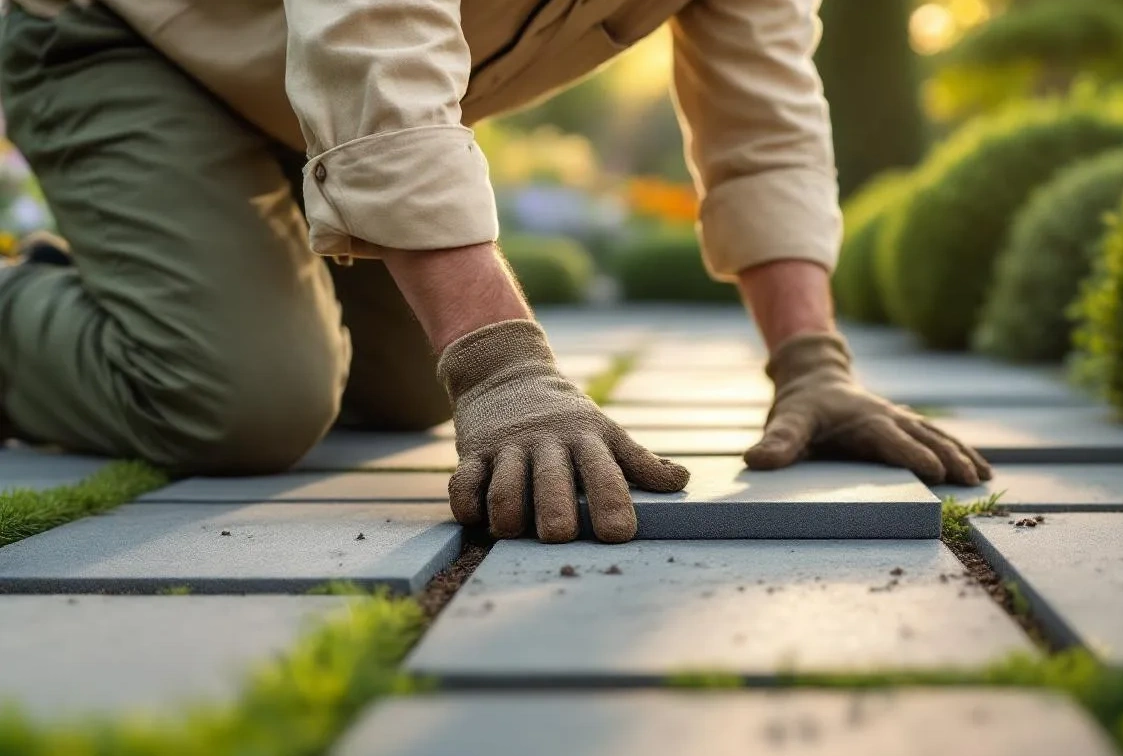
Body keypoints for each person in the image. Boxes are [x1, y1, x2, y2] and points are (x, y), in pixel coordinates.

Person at [0, 0, 991, 544]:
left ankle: (170, 279)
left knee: (398, 392)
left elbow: (765, 120)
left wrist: (813, 361)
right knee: (243, 404)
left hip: (294, 94)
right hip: (131, 36)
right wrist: (501, 361)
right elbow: (373, 38)